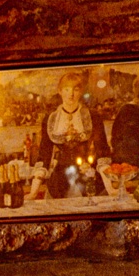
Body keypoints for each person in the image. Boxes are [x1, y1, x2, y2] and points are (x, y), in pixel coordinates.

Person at [37, 70, 108, 199]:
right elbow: (44, 154)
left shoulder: (92, 116)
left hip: (88, 176)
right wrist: (33, 192)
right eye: (66, 89)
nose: (71, 94)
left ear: (80, 92)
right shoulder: (51, 118)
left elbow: (102, 151)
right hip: (59, 181)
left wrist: (110, 187)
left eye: (75, 89)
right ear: (60, 91)